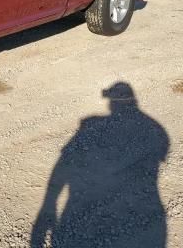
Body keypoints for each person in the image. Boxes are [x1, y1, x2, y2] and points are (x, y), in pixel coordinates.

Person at [31, 82, 170, 247]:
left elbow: (66, 159)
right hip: (144, 208)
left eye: (112, 99)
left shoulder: (95, 125)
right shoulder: (156, 129)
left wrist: (50, 201)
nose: (110, 103)